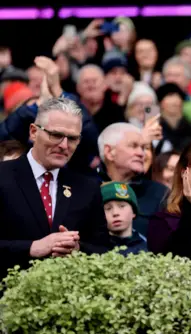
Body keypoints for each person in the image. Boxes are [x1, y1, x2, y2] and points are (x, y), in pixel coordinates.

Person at [0, 97, 110, 281]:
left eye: (73, 138)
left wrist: (77, 250)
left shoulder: (87, 187)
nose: (64, 145)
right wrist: (32, 247)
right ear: (34, 132)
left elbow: (104, 251)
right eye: (56, 135)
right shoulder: (3, 176)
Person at [101, 181, 147, 255]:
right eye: (108, 208)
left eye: (122, 206)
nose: (115, 213)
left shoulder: (146, 247)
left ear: (133, 212)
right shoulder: (97, 248)